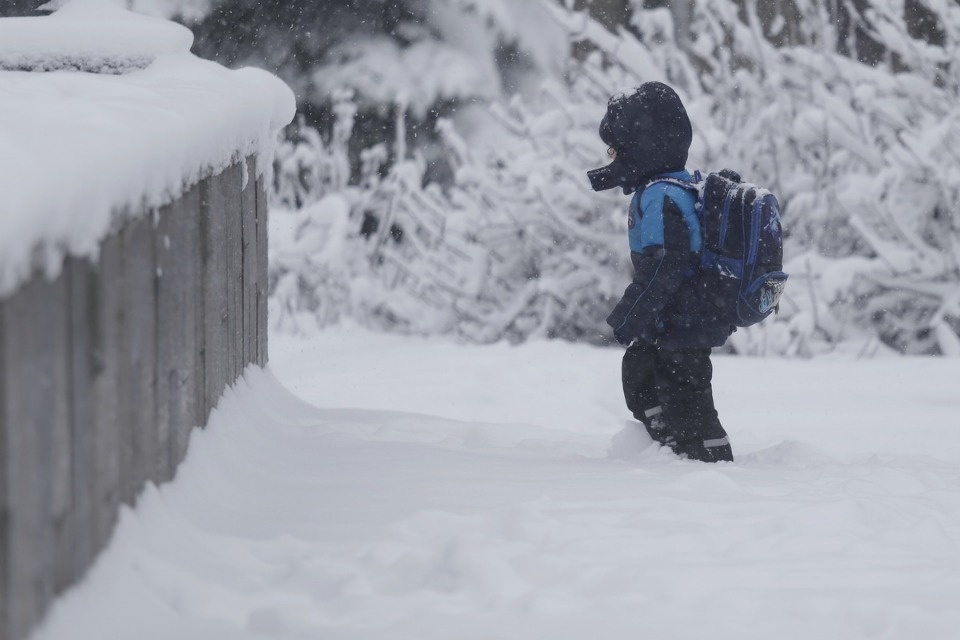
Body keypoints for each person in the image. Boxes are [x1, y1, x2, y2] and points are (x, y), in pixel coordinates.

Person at [587, 82, 734, 463]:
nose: (612, 157)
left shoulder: (661, 196)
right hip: (677, 317)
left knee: (687, 393)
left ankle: (709, 460)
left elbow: (665, 267)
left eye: (616, 149)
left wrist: (628, 317)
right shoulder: (672, 187)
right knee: (641, 372)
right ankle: (667, 442)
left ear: (641, 147)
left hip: (687, 319)